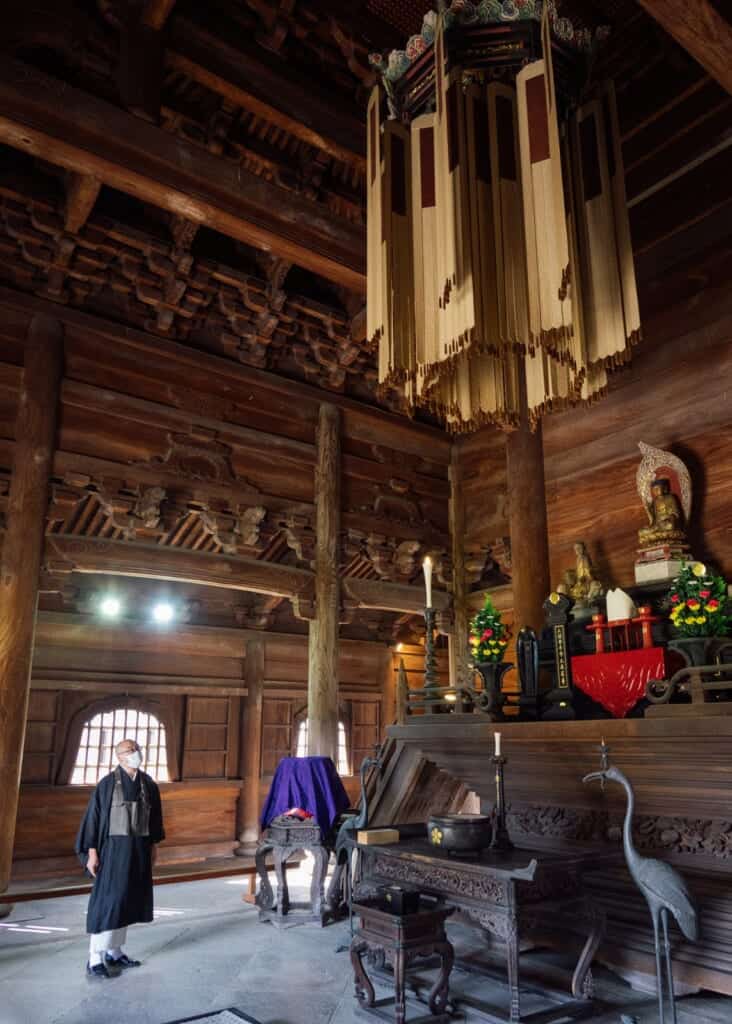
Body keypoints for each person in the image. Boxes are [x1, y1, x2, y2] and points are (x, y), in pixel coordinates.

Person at [75, 738, 165, 979]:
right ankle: (95, 957)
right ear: (119, 756)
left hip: (139, 849)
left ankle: (115, 952)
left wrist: (153, 846)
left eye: (137, 749)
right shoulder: (106, 785)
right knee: (109, 901)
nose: (136, 753)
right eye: (130, 750)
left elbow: (155, 819)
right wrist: (92, 852)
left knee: (127, 899)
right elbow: (93, 819)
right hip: (113, 851)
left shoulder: (148, 784)